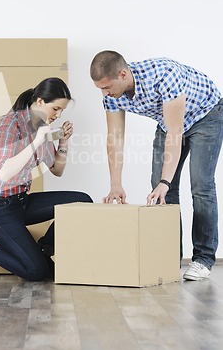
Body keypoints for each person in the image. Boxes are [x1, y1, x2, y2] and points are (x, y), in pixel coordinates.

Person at [90, 50, 223, 281]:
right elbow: (115, 137)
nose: (104, 93)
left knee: (200, 184)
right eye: (100, 88)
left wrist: (165, 181)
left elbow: (175, 132)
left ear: (123, 74)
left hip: (205, 114)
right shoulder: (111, 94)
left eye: (106, 87)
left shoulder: (163, 75)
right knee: (160, 190)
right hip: (169, 122)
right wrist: (116, 184)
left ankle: (203, 259)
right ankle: (169, 257)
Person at [0, 77, 92, 281]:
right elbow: (4, 173)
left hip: (21, 201)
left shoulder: (42, 127)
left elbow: (57, 169)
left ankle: (45, 249)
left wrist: (64, 142)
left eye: (62, 111)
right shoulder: (11, 124)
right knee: (37, 272)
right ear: (39, 102)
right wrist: (37, 141)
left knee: (82, 201)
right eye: (56, 108)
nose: (58, 115)